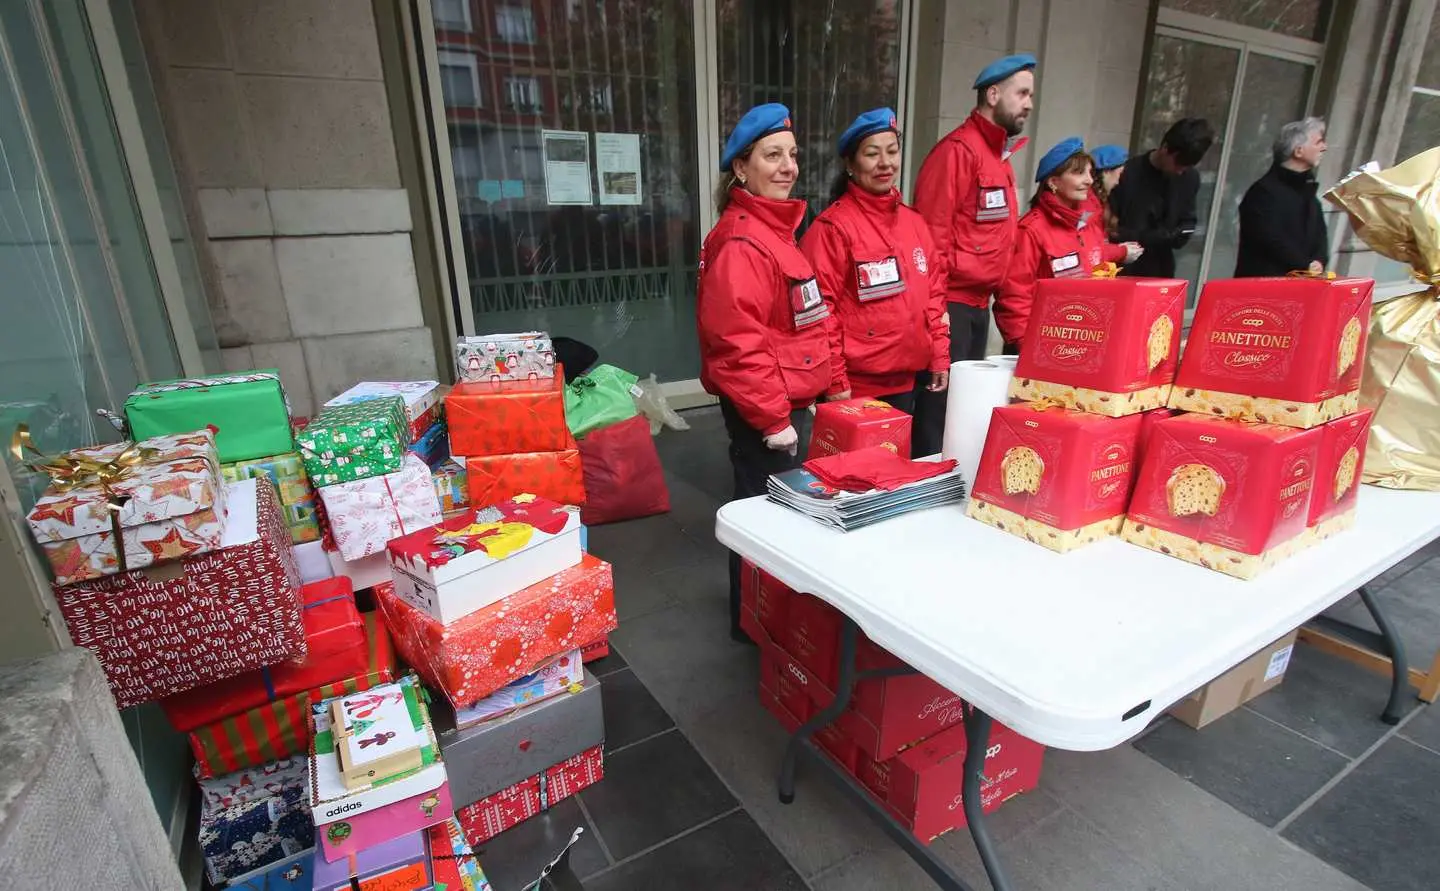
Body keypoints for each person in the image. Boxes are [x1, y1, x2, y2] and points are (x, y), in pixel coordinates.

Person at [696, 102, 833, 643]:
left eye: (792, 155)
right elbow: (736, 341)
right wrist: (776, 418)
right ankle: (754, 627)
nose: (788, 166)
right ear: (741, 168)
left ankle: (764, 617)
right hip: (765, 408)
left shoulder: (775, 231)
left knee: (772, 516)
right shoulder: (744, 240)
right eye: (772, 155)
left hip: (783, 398)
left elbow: (797, 322)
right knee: (761, 519)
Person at [911, 52, 1036, 453]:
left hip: (978, 309)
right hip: (951, 307)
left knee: (960, 414)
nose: (1029, 103)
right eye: (1022, 93)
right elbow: (931, 237)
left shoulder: (998, 159)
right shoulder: (958, 153)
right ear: (994, 94)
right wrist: (938, 318)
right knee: (937, 415)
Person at [800, 108, 949, 418]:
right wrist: (836, 379)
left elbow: (934, 295)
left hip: (907, 380)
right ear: (850, 165)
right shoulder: (833, 229)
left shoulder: (914, 223)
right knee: (855, 466)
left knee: (899, 462)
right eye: (872, 154)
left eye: (892, 151)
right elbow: (819, 313)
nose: (885, 163)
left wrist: (939, 354)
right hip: (856, 386)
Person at [994, 138, 1142, 349]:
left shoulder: (1088, 224)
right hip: (1039, 342)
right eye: (1079, 173)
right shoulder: (1031, 230)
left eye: (1090, 173)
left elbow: (1096, 263)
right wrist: (1025, 346)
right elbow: (1014, 295)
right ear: (1053, 182)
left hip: (1082, 337)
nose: (1089, 180)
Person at [1110, 118, 1215, 278]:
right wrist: (1145, 236)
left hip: (1161, 269)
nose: (1180, 171)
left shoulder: (1189, 178)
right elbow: (1111, 228)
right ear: (1165, 148)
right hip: (1123, 268)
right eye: (1178, 164)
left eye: (1187, 167)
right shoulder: (1128, 173)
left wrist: (1177, 234)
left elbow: (1187, 221)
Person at [1234, 117, 1329, 277]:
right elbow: (1269, 239)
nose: (1324, 147)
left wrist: (1319, 261)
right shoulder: (1263, 192)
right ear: (1298, 151)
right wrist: (1305, 264)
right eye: (1318, 142)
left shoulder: (1309, 194)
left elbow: (1320, 236)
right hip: (1263, 290)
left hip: (1301, 287)